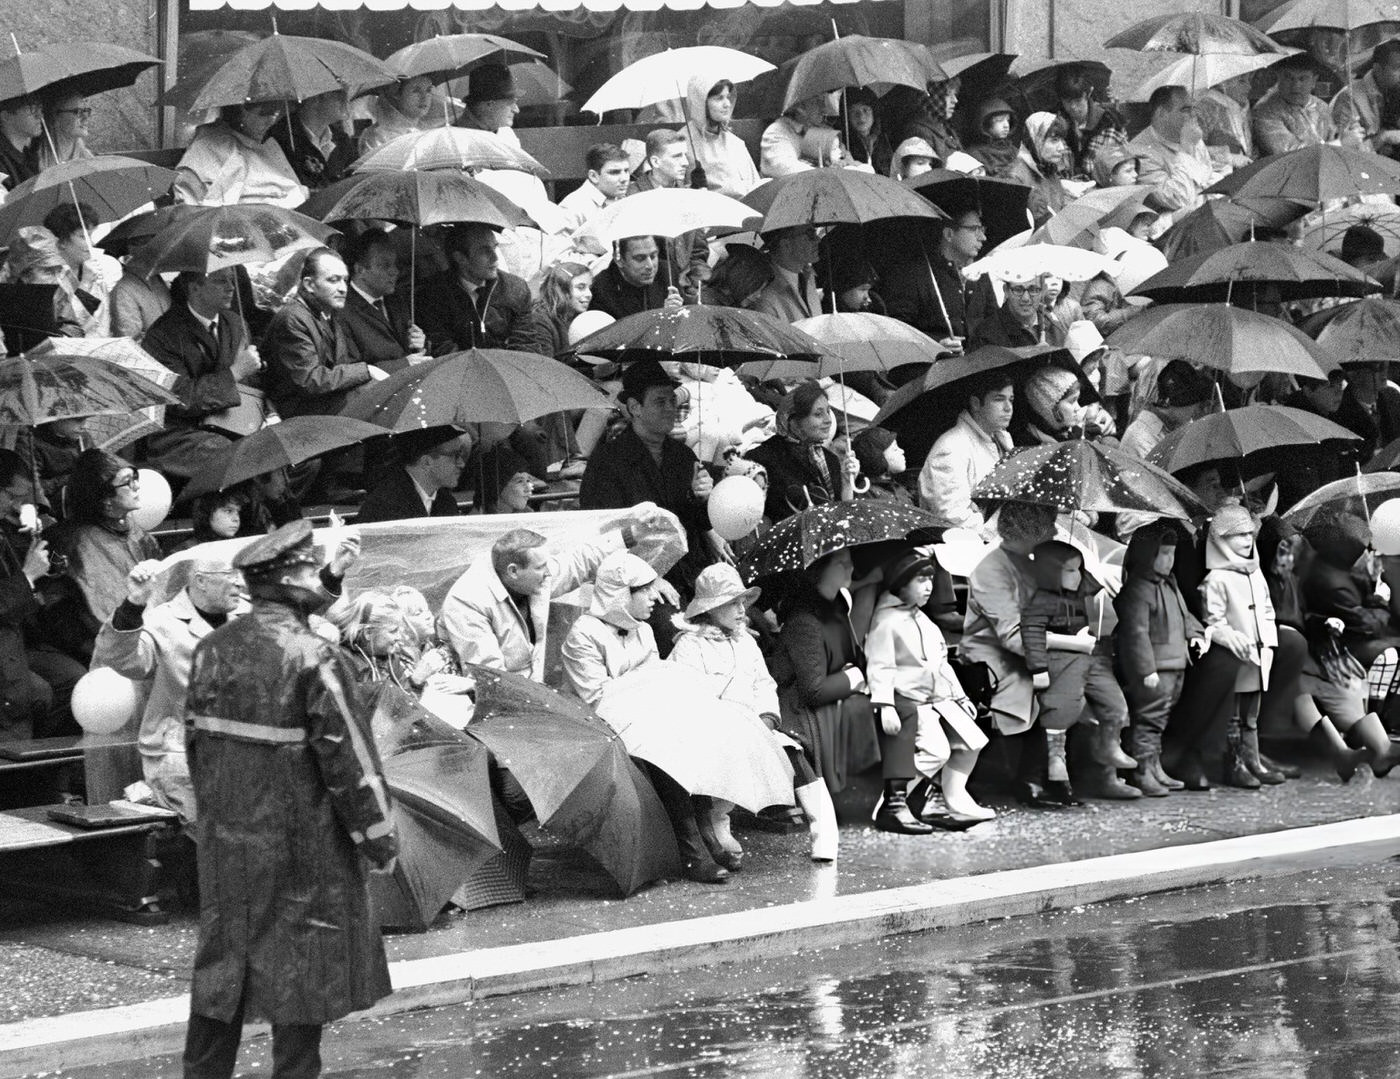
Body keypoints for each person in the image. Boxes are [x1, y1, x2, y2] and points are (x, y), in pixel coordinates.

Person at [180, 519, 396, 1079]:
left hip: (228, 840)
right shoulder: (313, 656)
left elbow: (195, 746)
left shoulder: (211, 648)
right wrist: (379, 839)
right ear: (295, 582)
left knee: (224, 968)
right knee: (303, 970)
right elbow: (351, 762)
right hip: (304, 845)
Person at [668, 562, 839, 863]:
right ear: (710, 609)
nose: (741, 610)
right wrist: (734, 721)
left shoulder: (746, 641)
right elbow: (690, 697)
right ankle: (719, 821)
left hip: (754, 723)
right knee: (720, 759)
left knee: (793, 752)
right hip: (713, 729)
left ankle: (824, 833)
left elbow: (763, 683)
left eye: (742, 602)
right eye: (731, 603)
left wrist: (767, 717)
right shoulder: (689, 647)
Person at [92, 555, 246, 822]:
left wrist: (332, 575)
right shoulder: (161, 621)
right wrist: (134, 604)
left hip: (242, 746)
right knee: (224, 827)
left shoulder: (247, 614)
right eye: (230, 575)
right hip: (180, 752)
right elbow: (122, 660)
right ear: (201, 581)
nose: (240, 584)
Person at [438, 511, 653, 679]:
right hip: (484, 701)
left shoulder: (535, 575)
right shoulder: (467, 600)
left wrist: (631, 534)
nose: (549, 572)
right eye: (541, 567)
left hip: (531, 691)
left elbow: (579, 561)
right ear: (513, 571)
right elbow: (489, 674)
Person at [867, 550, 994, 829]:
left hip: (941, 697)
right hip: (915, 699)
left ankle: (945, 798)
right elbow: (880, 665)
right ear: (901, 583)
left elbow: (942, 663)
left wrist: (959, 695)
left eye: (930, 579)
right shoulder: (887, 622)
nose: (928, 586)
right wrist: (885, 703)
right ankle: (892, 801)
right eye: (920, 580)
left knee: (972, 741)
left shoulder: (924, 620)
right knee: (936, 751)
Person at [579, 359, 720, 597]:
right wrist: (647, 579)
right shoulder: (607, 461)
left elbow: (699, 524)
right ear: (635, 407)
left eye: (672, 400)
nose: (670, 408)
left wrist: (703, 499)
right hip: (636, 582)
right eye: (660, 401)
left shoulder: (682, 455)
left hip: (690, 572)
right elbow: (604, 535)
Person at [960, 500, 1067, 808]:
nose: (1054, 530)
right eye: (1048, 523)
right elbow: (1010, 633)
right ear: (1028, 527)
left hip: (1024, 647)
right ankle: (1027, 776)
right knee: (1033, 685)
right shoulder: (991, 568)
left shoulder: (1031, 562)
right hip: (992, 655)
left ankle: (1044, 772)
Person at [1021, 540, 1135, 804]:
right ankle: (1056, 770)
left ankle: (1109, 744)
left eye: (1079, 569)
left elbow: (1094, 587)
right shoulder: (1042, 601)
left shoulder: (1082, 591)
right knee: (1061, 710)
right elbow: (1033, 631)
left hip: (1089, 658)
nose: (1078, 576)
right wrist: (1038, 668)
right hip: (1062, 661)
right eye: (1070, 571)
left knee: (1114, 702)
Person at [773, 547, 881, 802]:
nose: (850, 568)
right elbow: (814, 690)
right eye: (841, 564)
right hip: (800, 708)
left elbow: (854, 657)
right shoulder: (804, 621)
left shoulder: (835, 608)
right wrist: (855, 678)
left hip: (830, 696)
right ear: (819, 573)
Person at [141, 268, 260, 481]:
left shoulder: (236, 323)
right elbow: (179, 399)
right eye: (220, 281)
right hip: (179, 435)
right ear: (194, 288)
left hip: (233, 421)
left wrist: (268, 413)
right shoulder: (162, 336)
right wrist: (234, 374)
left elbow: (253, 382)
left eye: (231, 281)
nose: (231, 287)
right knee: (233, 454)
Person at [44, 452, 162, 663]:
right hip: (93, 652)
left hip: (146, 643)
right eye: (128, 482)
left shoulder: (142, 537)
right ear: (105, 498)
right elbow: (55, 608)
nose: (137, 487)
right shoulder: (67, 541)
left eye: (136, 479)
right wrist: (89, 648)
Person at [1113, 524, 1205, 797]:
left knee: (1159, 719)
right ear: (1146, 554)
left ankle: (1154, 766)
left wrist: (1196, 633)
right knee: (1148, 718)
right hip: (1157, 666)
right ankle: (1142, 769)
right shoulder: (1138, 590)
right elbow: (1135, 633)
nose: (1170, 560)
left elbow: (1185, 615)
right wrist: (1146, 669)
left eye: (1172, 554)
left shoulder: (1169, 585)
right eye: (1163, 554)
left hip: (1176, 662)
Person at [1200, 502, 1279, 789]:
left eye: (1250, 534)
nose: (1248, 540)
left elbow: (1267, 610)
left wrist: (1268, 642)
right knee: (1233, 715)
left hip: (1259, 654)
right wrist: (1229, 637)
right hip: (1235, 657)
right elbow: (1214, 619)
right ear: (1221, 538)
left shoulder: (1255, 573)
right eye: (1239, 535)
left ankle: (1253, 760)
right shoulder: (1216, 579)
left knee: (1251, 714)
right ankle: (1235, 763)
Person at [262, 247, 376, 419]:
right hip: (299, 414)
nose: (343, 288)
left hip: (324, 404)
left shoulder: (326, 314)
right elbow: (308, 380)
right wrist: (365, 371)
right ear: (309, 284)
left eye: (345, 280)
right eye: (333, 280)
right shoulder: (292, 319)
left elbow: (340, 366)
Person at [415, 223, 541, 354]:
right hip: (459, 369)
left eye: (495, 247)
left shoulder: (515, 288)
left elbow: (526, 344)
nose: (495, 257)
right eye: (485, 251)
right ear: (460, 258)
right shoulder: (434, 293)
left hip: (507, 368)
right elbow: (440, 346)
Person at [882, 206, 994, 349]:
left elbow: (993, 324)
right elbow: (897, 330)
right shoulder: (915, 275)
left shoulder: (980, 275)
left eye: (982, 229)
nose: (983, 237)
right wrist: (935, 344)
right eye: (974, 229)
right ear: (949, 234)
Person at [918, 368, 1015, 532]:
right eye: (999, 399)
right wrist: (1005, 530)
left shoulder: (1002, 439)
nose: (1008, 408)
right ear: (976, 403)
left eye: (1011, 400)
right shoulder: (951, 448)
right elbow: (952, 518)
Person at [747, 380, 855, 523]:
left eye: (828, 412)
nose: (829, 420)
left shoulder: (831, 460)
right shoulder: (762, 459)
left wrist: (847, 482)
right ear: (793, 422)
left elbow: (843, 518)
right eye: (818, 414)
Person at [174, 101, 306, 208]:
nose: (271, 121)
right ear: (239, 112)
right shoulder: (205, 149)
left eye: (275, 113)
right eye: (264, 113)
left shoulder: (259, 146)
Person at [628, 129, 710, 296]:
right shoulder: (633, 198)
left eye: (685, 155)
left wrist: (698, 283)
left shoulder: (689, 198)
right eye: (676, 156)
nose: (686, 162)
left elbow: (698, 252)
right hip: (651, 290)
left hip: (690, 287)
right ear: (656, 162)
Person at [341, 228, 427, 374]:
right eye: (385, 265)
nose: (395, 271)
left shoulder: (397, 300)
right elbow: (350, 371)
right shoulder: (343, 310)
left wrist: (420, 345)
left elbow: (411, 352)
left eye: (395, 264)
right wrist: (404, 364)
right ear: (360, 269)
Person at [1128, 86, 1216, 223]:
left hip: (1204, 217)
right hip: (1167, 231)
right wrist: (1186, 149)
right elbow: (1179, 199)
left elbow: (1209, 180)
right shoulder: (1139, 152)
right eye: (1185, 110)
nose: (1194, 115)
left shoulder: (1190, 136)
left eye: (1194, 108)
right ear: (1161, 113)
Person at [355, 427, 468, 524]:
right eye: (455, 455)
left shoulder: (446, 502)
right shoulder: (384, 507)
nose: (461, 463)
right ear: (426, 462)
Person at [1118, 359, 1213, 460]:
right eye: (1195, 404)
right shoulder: (1140, 436)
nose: (1196, 411)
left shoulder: (1175, 427)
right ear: (1181, 402)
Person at [1253, 52, 1342, 156]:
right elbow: (1289, 154)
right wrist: (1340, 144)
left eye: (1303, 79)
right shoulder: (1265, 110)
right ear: (1279, 77)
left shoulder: (1321, 106)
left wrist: (1346, 132)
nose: (1295, 86)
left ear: (1314, 80)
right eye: (1289, 78)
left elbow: (1334, 135)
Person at [684, 77, 761, 198]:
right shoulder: (683, 144)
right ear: (701, 103)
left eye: (728, 97)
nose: (727, 104)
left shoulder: (735, 142)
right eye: (719, 98)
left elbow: (755, 185)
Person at [589, 235, 683, 318]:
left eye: (653, 256)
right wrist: (661, 316)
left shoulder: (668, 272)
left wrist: (679, 313)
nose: (650, 266)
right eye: (640, 259)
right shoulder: (601, 290)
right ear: (619, 260)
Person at [1333, 40, 1400, 155]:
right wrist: (1383, 138)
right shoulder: (1350, 99)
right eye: (1397, 68)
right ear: (1378, 69)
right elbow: (1342, 153)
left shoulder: (1395, 91)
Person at [969, 272, 1066, 349]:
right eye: (1018, 290)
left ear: (1043, 291)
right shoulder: (986, 334)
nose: (1026, 298)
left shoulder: (1055, 330)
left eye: (1033, 290)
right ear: (1006, 291)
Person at [1008, 112, 1070, 227]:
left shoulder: (1048, 170)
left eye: (1062, 140)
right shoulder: (1016, 177)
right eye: (1054, 140)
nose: (1061, 148)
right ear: (1036, 140)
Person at [752, 225, 822, 323]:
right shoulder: (764, 295)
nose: (818, 240)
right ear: (786, 244)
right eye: (810, 234)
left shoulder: (808, 276)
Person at [558, 143, 631, 236]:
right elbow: (558, 250)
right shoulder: (572, 208)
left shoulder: (624, 199)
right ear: (593, 176)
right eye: (614, 172)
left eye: (626, 171)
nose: (624, 178)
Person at [359, 75, 434, 157]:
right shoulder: (378, 136)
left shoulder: (431, 131)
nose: (424, 97)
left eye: (428, 90)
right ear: (397, 94)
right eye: (416, 91)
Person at [531, 260, 593, 358]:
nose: (589, 294)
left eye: (590, 287)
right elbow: (546, 365)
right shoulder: (539, 320)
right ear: (562, 290)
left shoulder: (580, 317)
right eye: (581, 287)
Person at [1196, 72, 1256, 171]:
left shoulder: (1240, 106)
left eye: (1249, 80)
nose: (1249, 87)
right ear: (1224, 82)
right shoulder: (1205, 108)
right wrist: (1228, 158)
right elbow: (1193, 151)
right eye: (1241, 81)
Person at [761, 94, 826, 178]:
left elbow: (844, 159)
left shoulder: (819, 129)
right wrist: (826, 174)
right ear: (800, 107)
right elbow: (786, 169)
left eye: (823, 101)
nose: (824, 108)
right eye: (817, 102)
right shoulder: (775, 133)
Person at [841, 86, 892, 178]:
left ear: (874, 112)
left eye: (865, 110)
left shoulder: (886, 139)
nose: (861, 117)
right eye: (854, 112)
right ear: (847, 116)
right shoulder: (843, 144)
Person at [852, 427, 913, 504]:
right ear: (877, 458)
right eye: (895, 449)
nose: (902, 451)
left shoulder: (899, 487)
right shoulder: (867, 493)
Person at [457, 62, 521, 135]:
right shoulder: (460, 139)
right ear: (489, 105)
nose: (516, 110)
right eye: (511, 103)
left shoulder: (504, 132)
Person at [38, 91, 94, 169]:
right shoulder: (35, 160)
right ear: (55, 116)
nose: (86, 117)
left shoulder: (88, 160)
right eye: (78, 112)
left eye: (86, 111)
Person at [967, 98, 1020, 178]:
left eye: (1008, 120)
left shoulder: (1014, 151)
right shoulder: (975, 154)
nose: (1006, 125)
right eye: (1000, 120)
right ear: (986, 124)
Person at [0, 94, 41, 190]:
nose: (40, 115)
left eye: (39, 108)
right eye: (32, 109)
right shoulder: (2, 162)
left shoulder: (29, 156)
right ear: (5, 116)